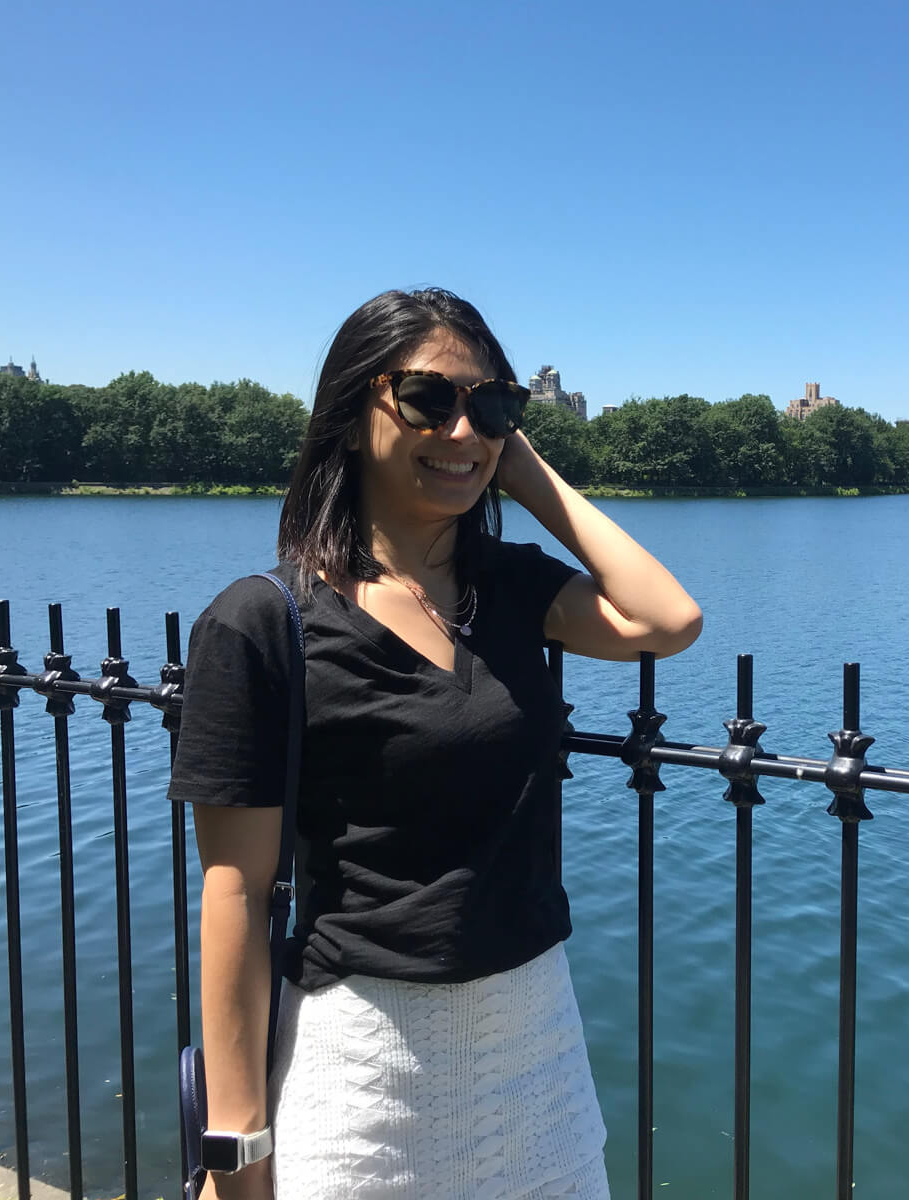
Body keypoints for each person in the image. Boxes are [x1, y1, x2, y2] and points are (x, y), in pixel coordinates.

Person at [168, 288, 703, 1199]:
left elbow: (667, 618)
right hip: (366, 1063)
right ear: (349, 412)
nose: (462, 430)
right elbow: (237, 896)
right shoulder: (264, 623)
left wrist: (517, 466)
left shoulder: (507, 589)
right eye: (428, 400)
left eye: (490, 404)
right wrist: (238, 1150)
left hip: (537, 1045)